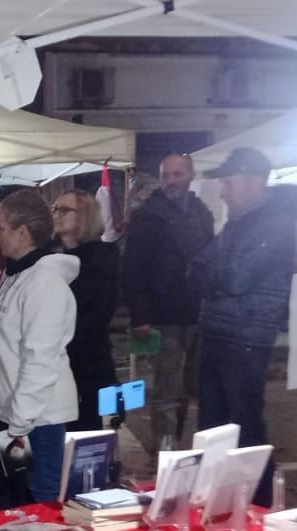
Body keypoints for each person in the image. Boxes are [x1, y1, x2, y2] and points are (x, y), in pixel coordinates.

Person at [190, 148, 297, 507]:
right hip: (219, 332)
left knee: (245, 426)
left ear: (253, 181)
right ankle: (219, 504)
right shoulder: (238, 222)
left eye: (227, 181)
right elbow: (195, 270)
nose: (221, 190)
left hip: (246, 337)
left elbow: (235, 277)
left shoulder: (277, 225)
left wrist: (214, 272)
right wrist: (215, 272)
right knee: (213, 430)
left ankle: (261, 504)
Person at [0, 190, 79, 508]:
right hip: (12, 415)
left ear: (22, 232)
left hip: (36, 419)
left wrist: (18, 424)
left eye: (1, 227)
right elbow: (7, 333)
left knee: (36, 505)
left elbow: (39, 359)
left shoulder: (44, 283)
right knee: (12, 503)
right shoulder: (15, 275)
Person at [122, 154, 216, 450]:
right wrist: (140, 316)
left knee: (188, 388)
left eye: (178, 174)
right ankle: (165, 454)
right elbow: (133, 269)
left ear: (190, 177)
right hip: (163, 315)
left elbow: (210, 257)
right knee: (166, 389)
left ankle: (175, 444)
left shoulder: (201, 211)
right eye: (166, 175)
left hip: (196, 312)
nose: (172, 181)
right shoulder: (146, 216)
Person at [53, 189, 121, 431]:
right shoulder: (54, 257)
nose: (56, 214)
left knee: (86, 438)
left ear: (85, 216)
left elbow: (95, 315)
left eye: (64, 209)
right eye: (55, 209)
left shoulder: (100, 260)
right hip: (60, 364)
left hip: (88, 363)